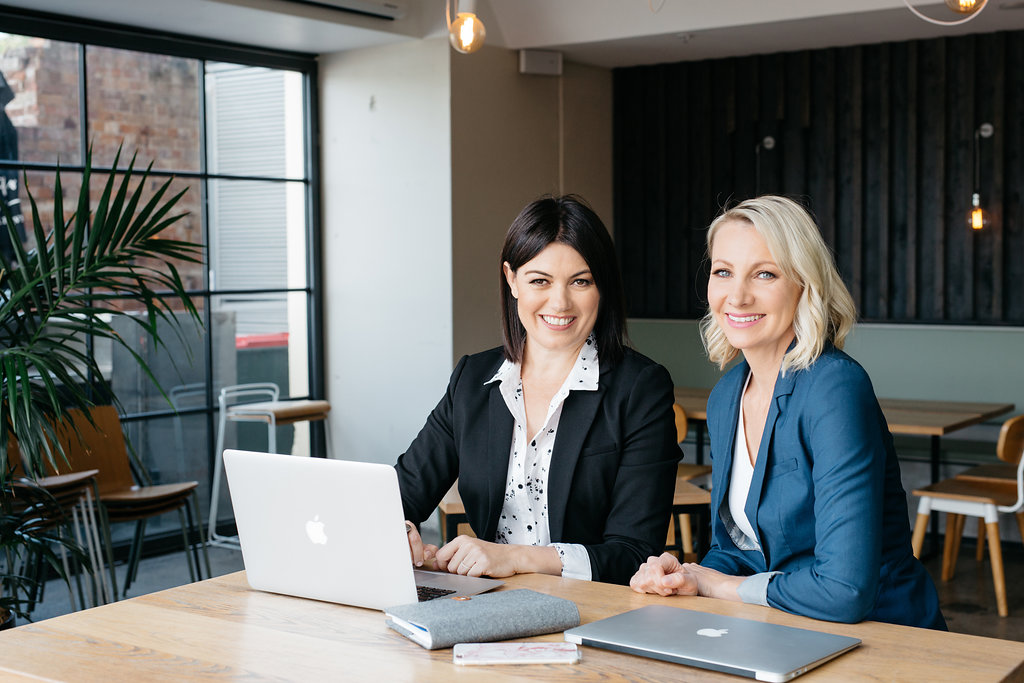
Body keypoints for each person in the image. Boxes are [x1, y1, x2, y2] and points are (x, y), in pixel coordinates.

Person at [629, 195, 946, 629]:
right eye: (723, 272)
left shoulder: (834, 387)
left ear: (804, 284)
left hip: (883, 634)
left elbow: (844, 592)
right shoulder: (727, 395)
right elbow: (736, 550)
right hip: (784, 629)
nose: (737, 296)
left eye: (765, 273)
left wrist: (720, 586)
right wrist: (687, 575)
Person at [395, 194, 678, 586]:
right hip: (487, 599)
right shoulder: (472, 380)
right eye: (539, 281)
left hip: (593, 605)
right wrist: (400, 528)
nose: (559, 302)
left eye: (580, 281)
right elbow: (400, 495)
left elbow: (634, 551)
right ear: (512, 280)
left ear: (602, 286)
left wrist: (516, 557)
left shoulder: (640, 389)